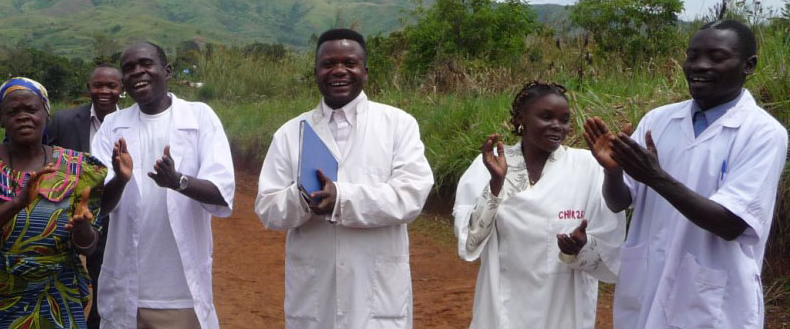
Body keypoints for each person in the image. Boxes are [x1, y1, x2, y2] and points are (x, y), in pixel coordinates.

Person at [584, 20, 788, 328]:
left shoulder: (762, 133)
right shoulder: (659, 120)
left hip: (711, 303)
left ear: (749, 65)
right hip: (646, 291)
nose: (699, 66)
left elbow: (731, 223)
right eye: (692, 56)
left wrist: (656, 178)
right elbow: (619, 202)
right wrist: (612, 173)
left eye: (716, 57)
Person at [255, 28, 434, 329]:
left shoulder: (398, 125)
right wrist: (302, 197)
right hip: (314, 296)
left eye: (349, 63)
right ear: (315, 72)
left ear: (365, 71)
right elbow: (267, 209)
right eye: (328, 63)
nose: (339, 70)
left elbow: (412, 195)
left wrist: (343, 198)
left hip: (377, 295)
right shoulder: (289, 133)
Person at [0, 77, 132, 329]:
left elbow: (87, 246)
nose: (23, 116)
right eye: (12, 111)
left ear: (46, 114)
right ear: (0, 119)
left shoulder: (78, 167)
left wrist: (116, 184)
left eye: (31, 109)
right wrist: (17, 203)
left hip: (57, 299)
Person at [453, 81, 625, 328]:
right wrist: (495, 186)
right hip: (504, 307)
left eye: (564, 120)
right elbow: (469, 243)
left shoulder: (587, 166)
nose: (557, 126)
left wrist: (581, 246)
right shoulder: (489, 166)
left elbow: (611, 242)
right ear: (522, 118)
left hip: (565, 305)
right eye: (546, 117)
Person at [91, 41, 235, 329]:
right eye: (129, 68)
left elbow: (222, 193)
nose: (137, 72)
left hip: (179, 296)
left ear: (166, 71)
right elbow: (99, 207)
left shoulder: (199, 117)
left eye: (146, 64)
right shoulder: (113, 126)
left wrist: (178, 182)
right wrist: (120, 180)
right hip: (125, 292)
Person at [48, 64, 123, 329]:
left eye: (111, 86)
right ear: (88, 88)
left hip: (109, 212)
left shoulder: (130, 124)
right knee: (61, 274)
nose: (104, 91)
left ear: (121, 89)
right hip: (63, 212)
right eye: (98, 85)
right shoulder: (63, 121)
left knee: (102, 275)